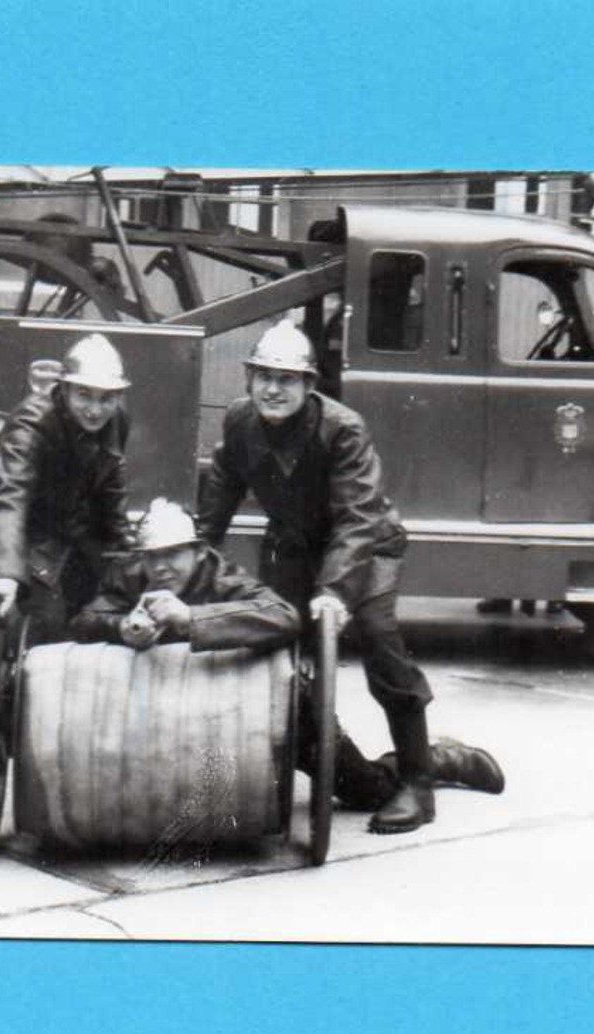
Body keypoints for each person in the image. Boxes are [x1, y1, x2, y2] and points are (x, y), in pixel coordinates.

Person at [198, 320, 505, 833]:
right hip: (297, 549)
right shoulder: (239, 422)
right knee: (276, 645)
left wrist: (335, 593)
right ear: (249, 378)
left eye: (288, 378)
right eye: (264, 376)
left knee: (380, 638)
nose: (274, 388)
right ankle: (432, 759)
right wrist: (191, 561)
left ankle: (419, 784)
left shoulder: (343, 429)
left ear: (309, 385)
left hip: (366, 548)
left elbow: (358, 517)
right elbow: (218, 500)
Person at [71, 498, 401, 812]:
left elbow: (284, 617)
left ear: (199, 552)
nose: (160, 567)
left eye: (172, 554)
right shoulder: (129, 576)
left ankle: (431, 760)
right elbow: (84, 621)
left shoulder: (223, 577)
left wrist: (192, 619)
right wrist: (122, 627)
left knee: (368, 791)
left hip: (243, 704)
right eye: (151, 556)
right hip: (172, 713)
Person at [0, 332, 132, 644]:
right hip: (24, 534)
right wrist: (6, 572)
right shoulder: (32, 423)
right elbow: (8, 495)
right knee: (47, 625)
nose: (96, 410)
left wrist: (126, 553)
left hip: (72, 531)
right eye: (84, 395)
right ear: (64, 388)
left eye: (107, 398)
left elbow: (111, 481)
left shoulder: (117, 419)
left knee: (106, 608)